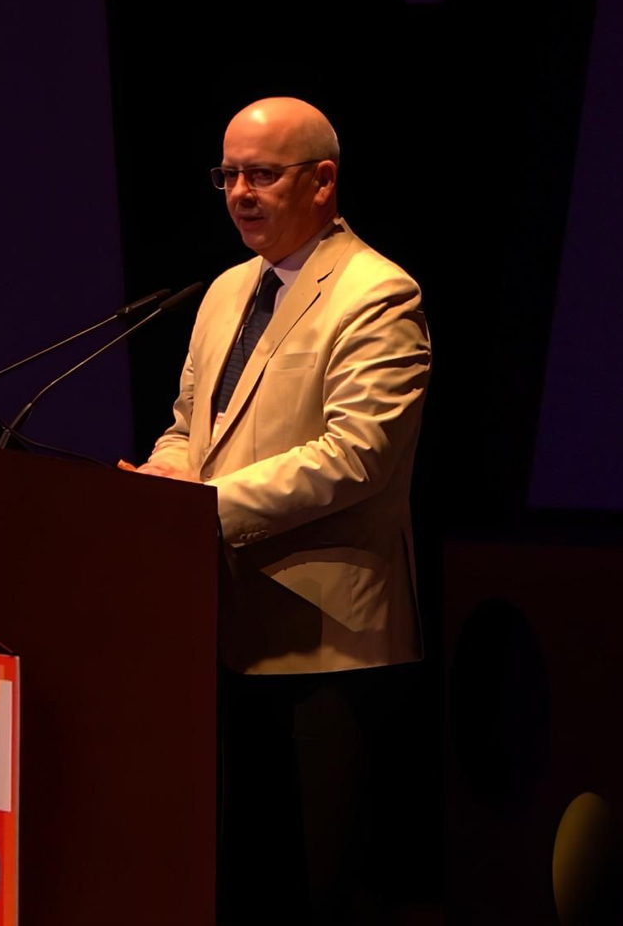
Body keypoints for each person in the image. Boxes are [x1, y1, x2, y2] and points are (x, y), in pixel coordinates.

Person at [135, 97, 430, 923]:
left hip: (325, 645)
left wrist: (197, 506)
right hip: (221, 632)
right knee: (243, 877)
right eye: (227, 175)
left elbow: (355, 458)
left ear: (323, 181)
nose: (239, 192)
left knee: (314, 886)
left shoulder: (378, 293)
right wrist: (158, 485)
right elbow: (189, 424)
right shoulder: (228, 289)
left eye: (262, 174)